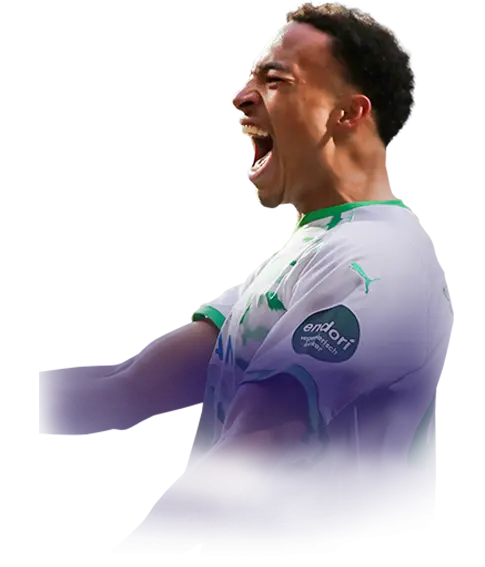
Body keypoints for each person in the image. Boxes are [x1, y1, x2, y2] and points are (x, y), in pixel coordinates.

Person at [38, 1, 453, 558]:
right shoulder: (310, 251)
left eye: (275, 80)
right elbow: (124, 392)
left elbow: (251, 452)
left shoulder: (379, 263)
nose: (239, 99)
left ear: (348, 113)